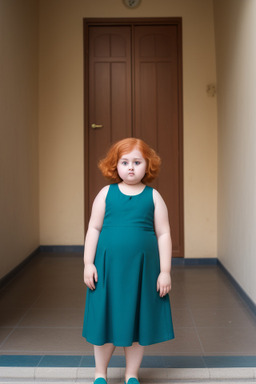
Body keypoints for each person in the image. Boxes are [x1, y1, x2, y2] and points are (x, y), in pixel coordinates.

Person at [82, 138, 174, 384]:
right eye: (124, 162)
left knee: (136, 325)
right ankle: (100, 373)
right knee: (105, 323)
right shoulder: (106, 194)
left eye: (137, 162)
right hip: (108, 271)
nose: (131, 167)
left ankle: (131, 374)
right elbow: (94, 228)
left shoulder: (153, 197)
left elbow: (164, 234)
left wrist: (165, 271)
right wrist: (88, 264)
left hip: (141, 273)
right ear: (115, 165)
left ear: (147, 166)